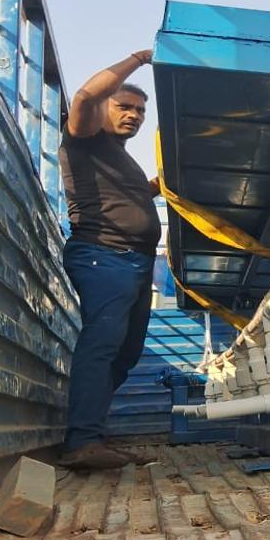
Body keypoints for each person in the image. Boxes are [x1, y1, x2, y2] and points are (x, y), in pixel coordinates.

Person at [57, 49, 161, 469]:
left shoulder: (121, 159)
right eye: (124, 106)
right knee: (101, 345)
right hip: (103, 255)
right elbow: (83, 98)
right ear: (103, 108)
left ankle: (92, 432)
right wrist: (138, 58)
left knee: (127, 352)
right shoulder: (84, 137)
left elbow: (135, 198)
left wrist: (161, 183)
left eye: (140, 110)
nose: (134, 115)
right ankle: (82, 441)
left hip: (134, 262)